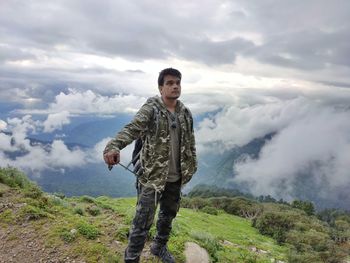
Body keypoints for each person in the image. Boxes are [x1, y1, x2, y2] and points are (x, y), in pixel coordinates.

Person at [103, 68, 197, 263]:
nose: (175, 86)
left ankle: (159, 247)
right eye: (170, 83)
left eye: (178, 82)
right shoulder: (151, 109)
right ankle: (132, 258)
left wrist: (192, 165)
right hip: (152, 178)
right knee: (142, 221)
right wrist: (114, 146)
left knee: (168, 215)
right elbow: (133, 128)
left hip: (176, 177)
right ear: (161, 87)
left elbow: (190, 142)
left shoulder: (185, 113)